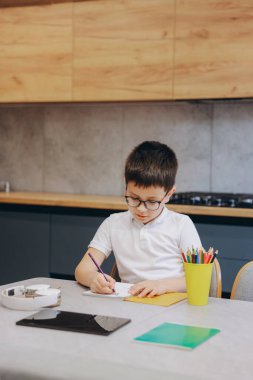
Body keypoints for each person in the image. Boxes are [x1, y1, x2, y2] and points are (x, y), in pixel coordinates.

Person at [75, 141, 202, 297]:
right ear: (126, 187)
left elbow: (200, 278)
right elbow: (82, 270)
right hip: (131, 304)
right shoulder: (113, 223)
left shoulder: (181, 225)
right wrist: (93, 278)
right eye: (134, 198)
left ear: (169, 194)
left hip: (173, 306)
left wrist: (162, 285)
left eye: (151, 201)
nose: (141, 209)